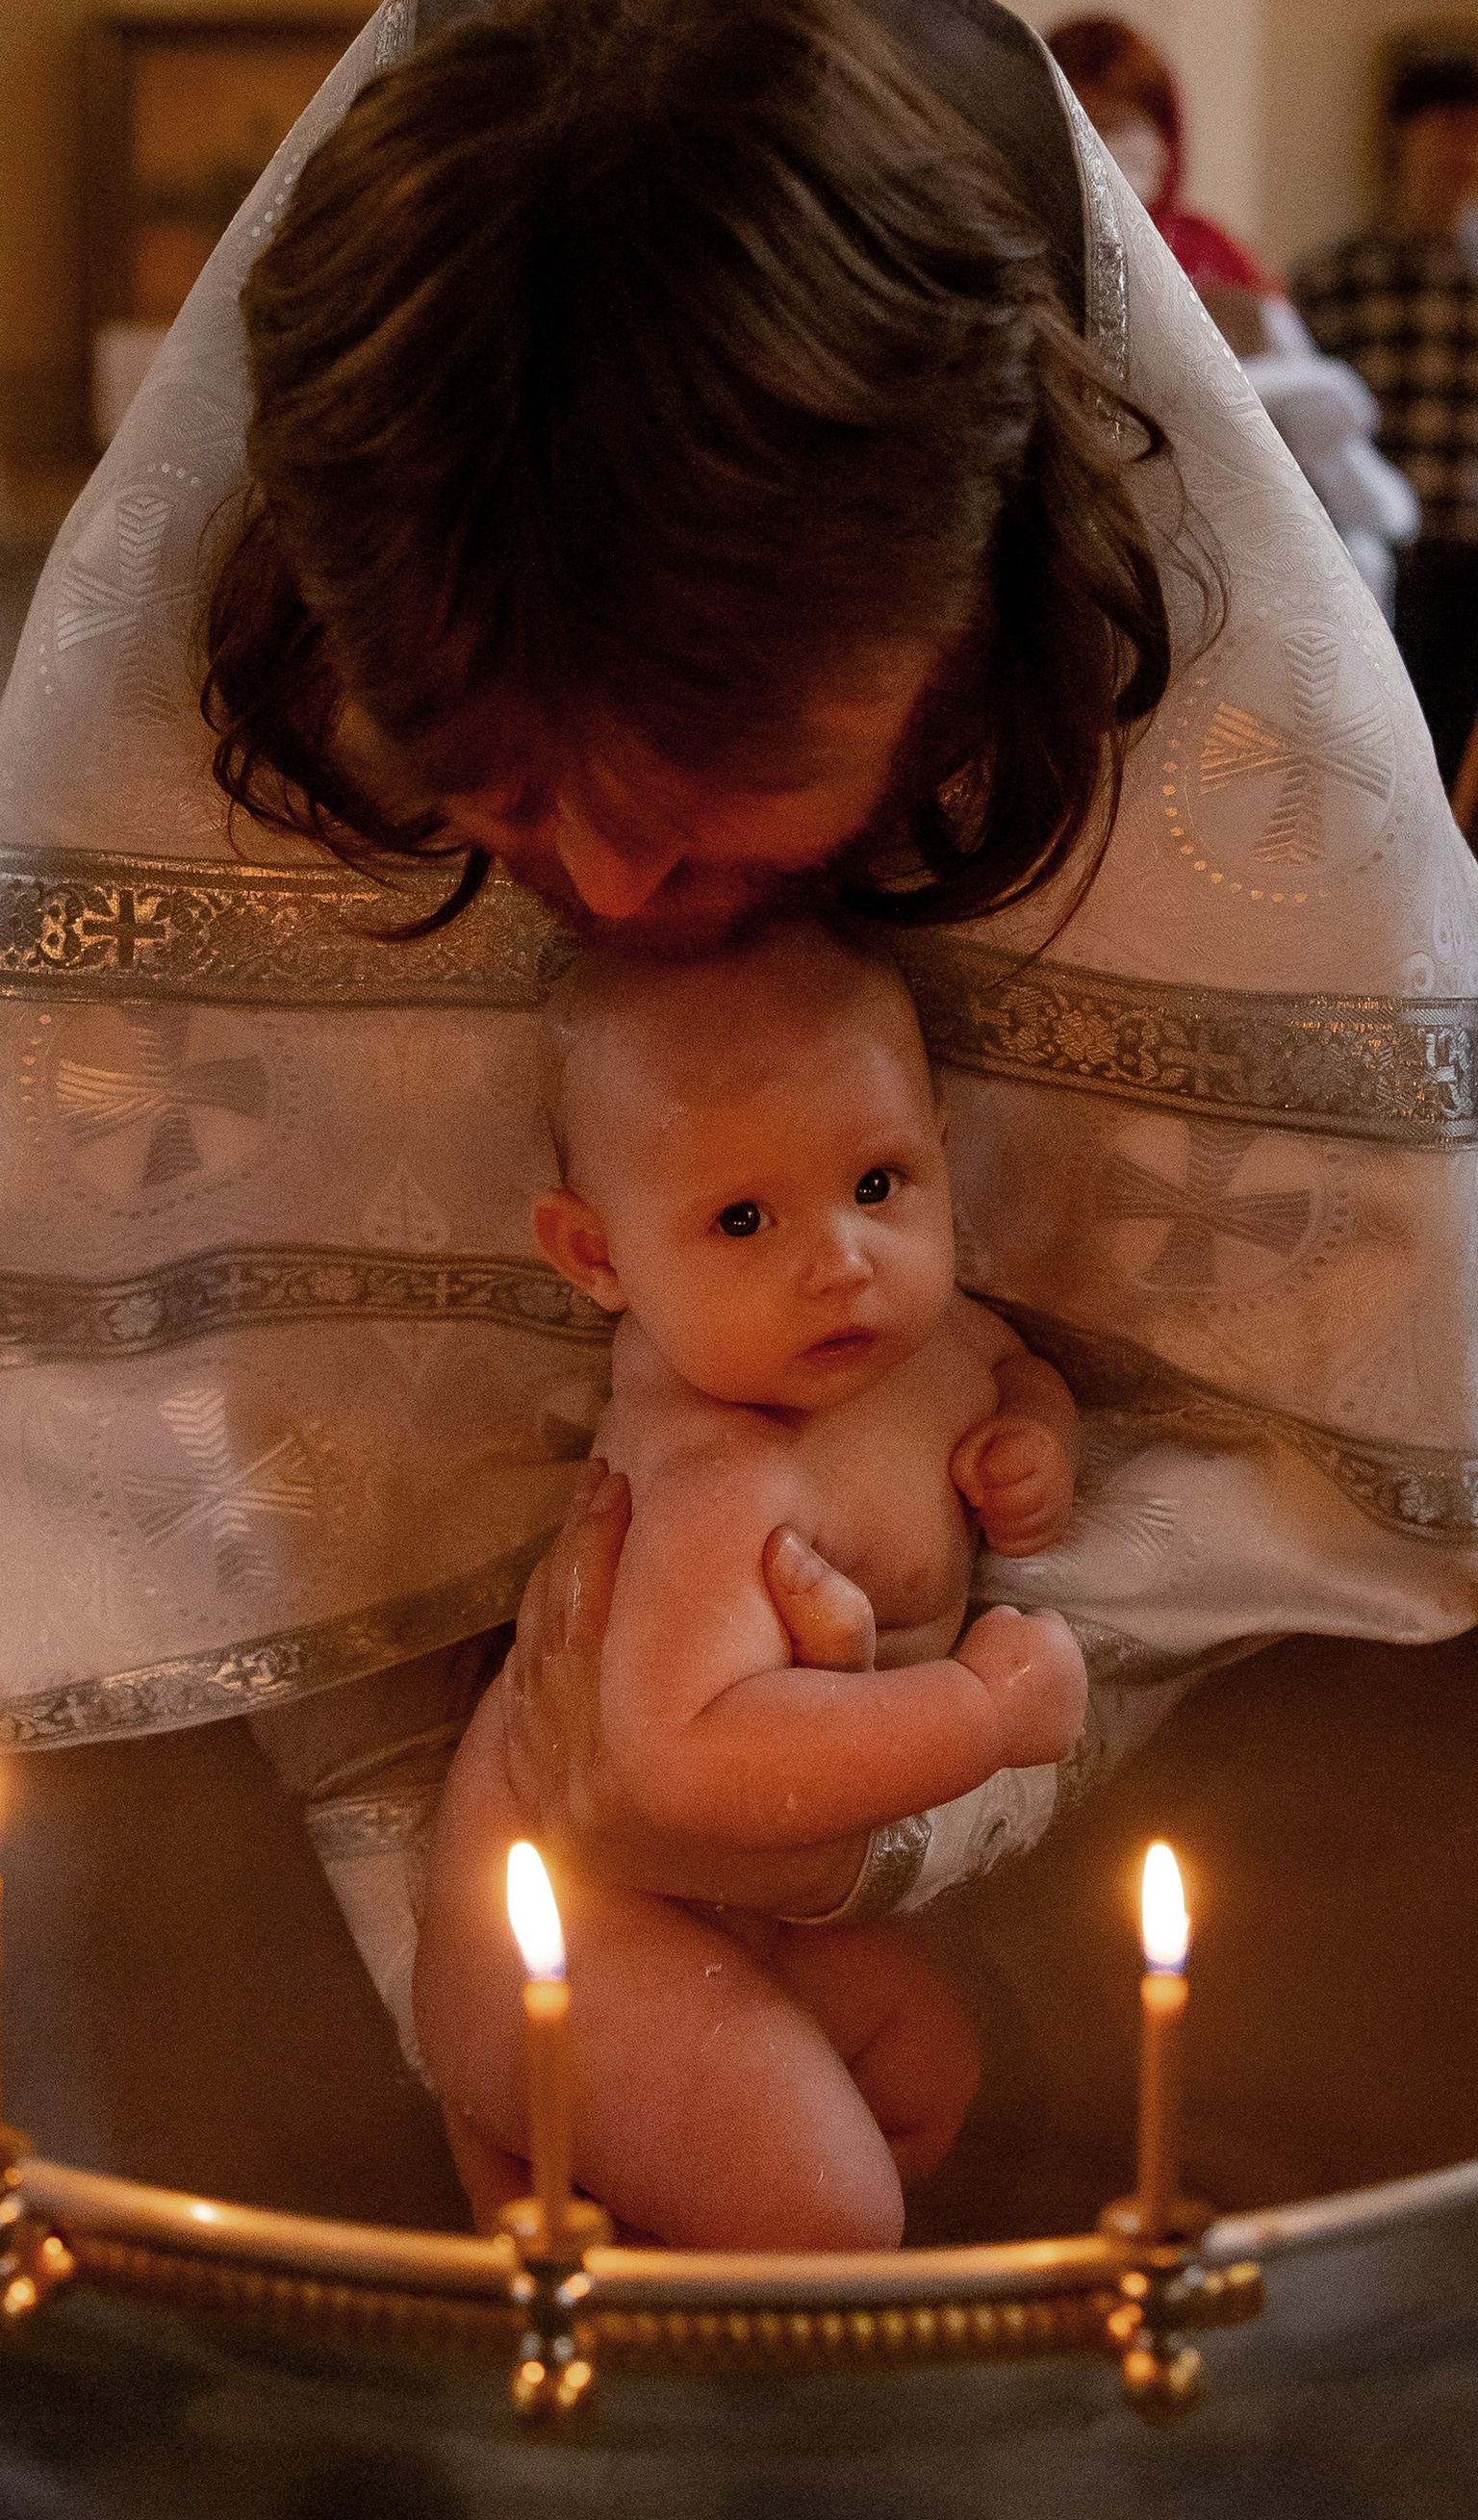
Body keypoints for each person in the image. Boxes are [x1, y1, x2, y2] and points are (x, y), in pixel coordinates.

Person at [0, 0, 1478, 2139]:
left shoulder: (1183, 737)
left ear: (970, 614)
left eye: (719, 781)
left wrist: (901, 1719)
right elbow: (106, 1440)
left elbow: (1361, 1443)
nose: (618, 886)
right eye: (498, 799)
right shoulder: (291, 689)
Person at [416, 923, 1083, 2248]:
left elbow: (1006, 1365)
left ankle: (620, 2218)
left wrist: (1037, 1438)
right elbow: (685, 1758)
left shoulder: (919, 1341)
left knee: (930, 2083)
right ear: (596, 1255)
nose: (839, 1258)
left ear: (941, 1145)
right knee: (827, 2213)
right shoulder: (721, 1477)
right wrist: (981, 1717)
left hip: (718, 1905)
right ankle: (547, 2179)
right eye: (742, 1219)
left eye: (880, 1182)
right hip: (576, 1935)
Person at [1051, 11, 1421, 614]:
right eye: (1083, 122)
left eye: (1122, 124)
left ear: (1165, 137)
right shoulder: (1026, 249)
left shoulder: (1211, 252)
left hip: (1224, 534)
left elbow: (1298, 386)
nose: (1103, 147)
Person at [1292, 53, 1478, 786]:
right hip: (1374, 566)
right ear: (1404, 135)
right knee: (1369, 764)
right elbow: (1305, 436)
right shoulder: (1334, 278)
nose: (1470, 153)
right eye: (1451, 129)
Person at [1045, 13, 1272, 291]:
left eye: (1125, 128)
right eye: (1091, 129)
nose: (1107, 152)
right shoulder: (1017, 248)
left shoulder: (1211, 256)